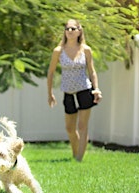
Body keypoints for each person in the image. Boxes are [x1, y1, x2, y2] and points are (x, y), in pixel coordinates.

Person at [47, 19, 102, 162]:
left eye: (73, 29)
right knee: (70, 128)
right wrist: (50, 93)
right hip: (68, 93)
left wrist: (96, 89)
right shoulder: (58, 51)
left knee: (82, 126)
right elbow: (51, 73)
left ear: (79, 31)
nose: (70, 31)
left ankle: (79, 159)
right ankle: (75, 152)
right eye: (67, 29)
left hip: (84, 90)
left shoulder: (86, 50)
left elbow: (92, 71)